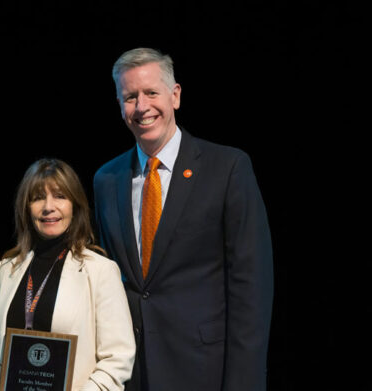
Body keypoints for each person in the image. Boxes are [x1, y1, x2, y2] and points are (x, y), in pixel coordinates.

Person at [92, 47, 274, 391]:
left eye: (151, 93)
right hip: (128, 374)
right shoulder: (106, 179)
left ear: (174, 96)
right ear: (119, 105)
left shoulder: (228, 168)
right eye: (130, 97)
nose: (142, 107)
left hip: (204, 372)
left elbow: (252, 288)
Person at [0, 159, 135, 391]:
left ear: (75, 205)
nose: (48, 206)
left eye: (60, 196)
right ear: (26, 208)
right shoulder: (7, 269)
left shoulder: (100, 270)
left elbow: (118, 358)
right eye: (38, 197)